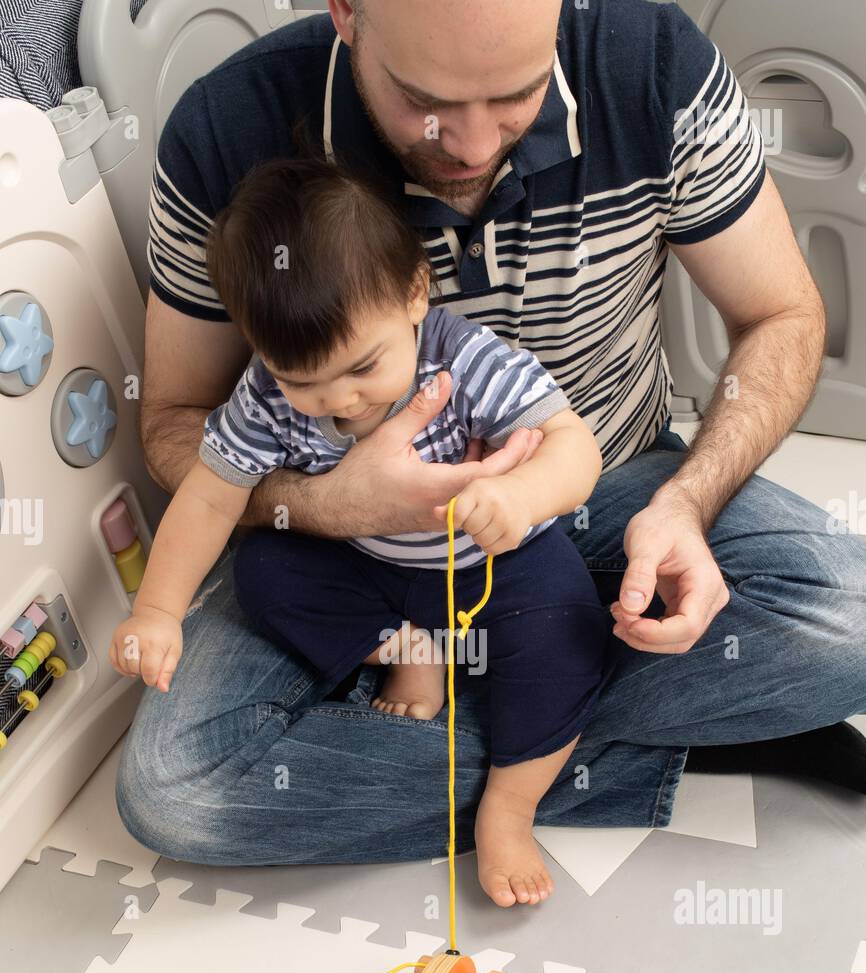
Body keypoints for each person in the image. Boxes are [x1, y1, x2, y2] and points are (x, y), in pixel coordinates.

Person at [116, 0, 866, 873]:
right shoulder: (226, 129)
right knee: (178, 789)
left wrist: (682, 505)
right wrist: (324, 505)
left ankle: (500, 743)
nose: (473, 147)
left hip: (583, 500)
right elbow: (180, 433)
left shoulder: (651, 62)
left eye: (516, 94)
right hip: (335, 540)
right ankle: (629, 734)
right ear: (347, 13)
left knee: (847, 616)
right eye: (424, 99)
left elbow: (781, 314)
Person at [110, 154, 613, 906]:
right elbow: (211, 499)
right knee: (264, 571)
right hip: (369, 563)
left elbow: (577, 446)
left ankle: (510, 807)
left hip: (495, 561)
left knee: (565, 629)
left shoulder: (463, 362)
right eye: (298, 379)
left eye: (360, 368)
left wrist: (521, 497)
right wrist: (156, 609)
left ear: (415, 294)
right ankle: (412, 650)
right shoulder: (266, 395)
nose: (334, 401)